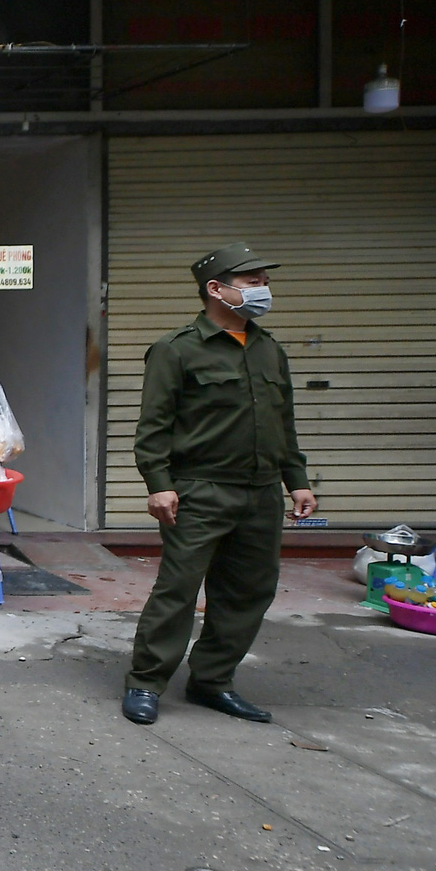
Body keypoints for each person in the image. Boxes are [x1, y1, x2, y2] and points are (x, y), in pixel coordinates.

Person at [122, 243, 318, 727]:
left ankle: (212, 680)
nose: (263, 289)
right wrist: (159, 483)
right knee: (179, 589)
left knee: (249, 591)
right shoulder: (177, 349)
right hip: (199, 490)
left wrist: (297, 481)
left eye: (263, 281)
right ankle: (146, 682)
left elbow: (283, 422)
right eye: (251, 281)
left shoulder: (269, 349)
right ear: (216, 288)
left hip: (260, 493)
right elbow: (153, 427)